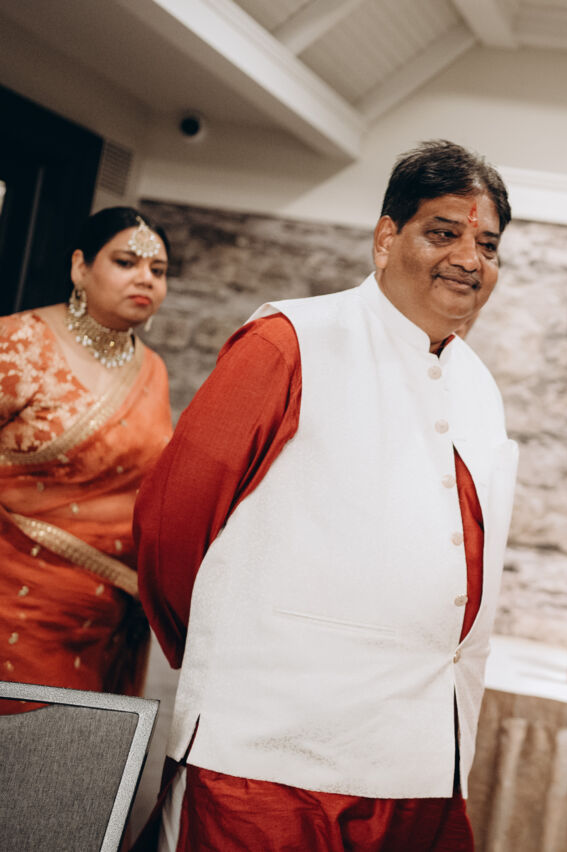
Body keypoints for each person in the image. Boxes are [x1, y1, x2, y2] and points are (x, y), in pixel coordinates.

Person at [131, 140, 519, 852]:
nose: (470, 259)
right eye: (443, 233)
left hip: (418, 764)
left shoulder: (478, 388)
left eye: (488, 245)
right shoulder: (289, 342)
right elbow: (171, 523)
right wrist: (231, 651)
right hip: (269, 756)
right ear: (385, 238)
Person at [0, 207, 172, 704]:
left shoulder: (152, 370)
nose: (145, 278)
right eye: (126, 262)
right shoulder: (18, 342)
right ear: (80, 267)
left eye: (158, 270)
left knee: (73, 747)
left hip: (103, 618)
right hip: (12, 604)